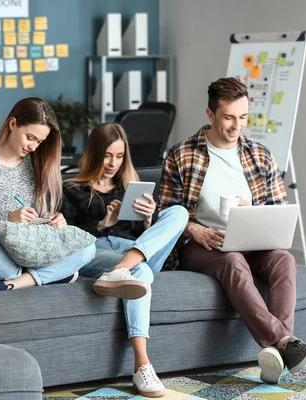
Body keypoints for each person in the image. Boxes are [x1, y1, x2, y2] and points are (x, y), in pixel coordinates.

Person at [158, 77, 306, 383]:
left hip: (252, 240)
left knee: (284, 259)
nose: (237, 125)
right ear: (210, 114)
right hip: (203, 246)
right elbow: (161, 214)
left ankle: (275, 352)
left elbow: (278, 208)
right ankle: (286, 343)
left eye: (243, 117)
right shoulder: (181, 155)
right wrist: (194, 229)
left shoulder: (260, 155)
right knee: (233, 261)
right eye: (229, 117)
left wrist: (254, 213)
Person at [61, 123, 188, 397]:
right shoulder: (71, 188)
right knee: (139, 272)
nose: (113, 163)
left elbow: (150, 237)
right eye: (107, 155)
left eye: (119, 156)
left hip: (133, 250)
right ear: (94, 153)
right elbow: (65, 243)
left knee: (178, 213)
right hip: (96, 250)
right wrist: (104, 224)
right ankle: (142, 364)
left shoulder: (131, 187)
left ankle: (121, 269)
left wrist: (148, 220)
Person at [0, 97, 96, 292]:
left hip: (25, 249)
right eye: (30, 138)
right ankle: (50, 276)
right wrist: (8, 218)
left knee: (87, 247)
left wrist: (52, 221)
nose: (33, 147)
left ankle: (12, 284)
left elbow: (34, 221)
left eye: (39, 141)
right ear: (13, 124)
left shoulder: (35, 164)